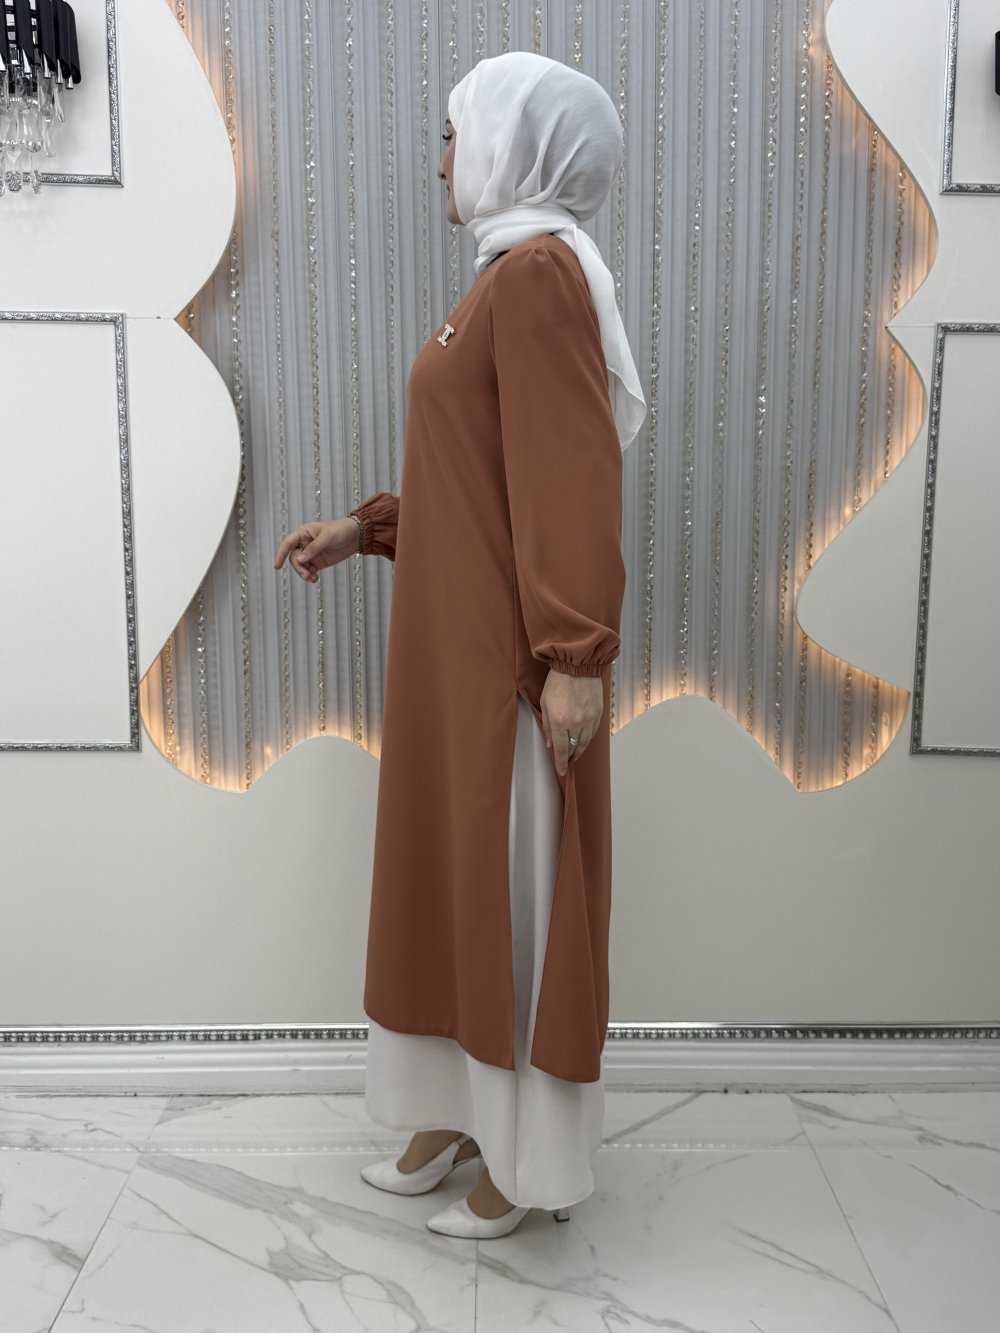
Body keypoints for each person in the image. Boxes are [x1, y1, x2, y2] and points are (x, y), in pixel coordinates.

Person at [275, 50, 645, 1240]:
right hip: (449, 648)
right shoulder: (499, 277)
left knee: (506, 898)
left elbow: (567, 477)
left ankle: (524, 1159)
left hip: (506, 667)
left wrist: (574, 658)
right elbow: (475, 473)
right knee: (450, 887)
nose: (440, 162)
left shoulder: (536, 277)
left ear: (513, 145)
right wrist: (367, 527)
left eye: (451, 135)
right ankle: (453, 1115)